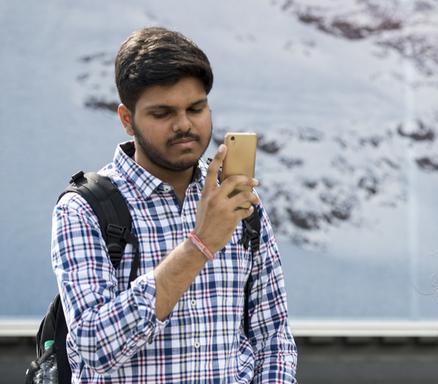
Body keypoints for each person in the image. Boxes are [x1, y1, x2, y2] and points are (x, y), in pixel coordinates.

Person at [50, 27, 297, 382]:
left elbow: (273, 340)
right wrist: (200, 245)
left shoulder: (238, 203)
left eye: (196, 108)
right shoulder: (84, 208)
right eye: (163, 113)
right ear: (126, 120)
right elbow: (95, 346)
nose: (184, 125)